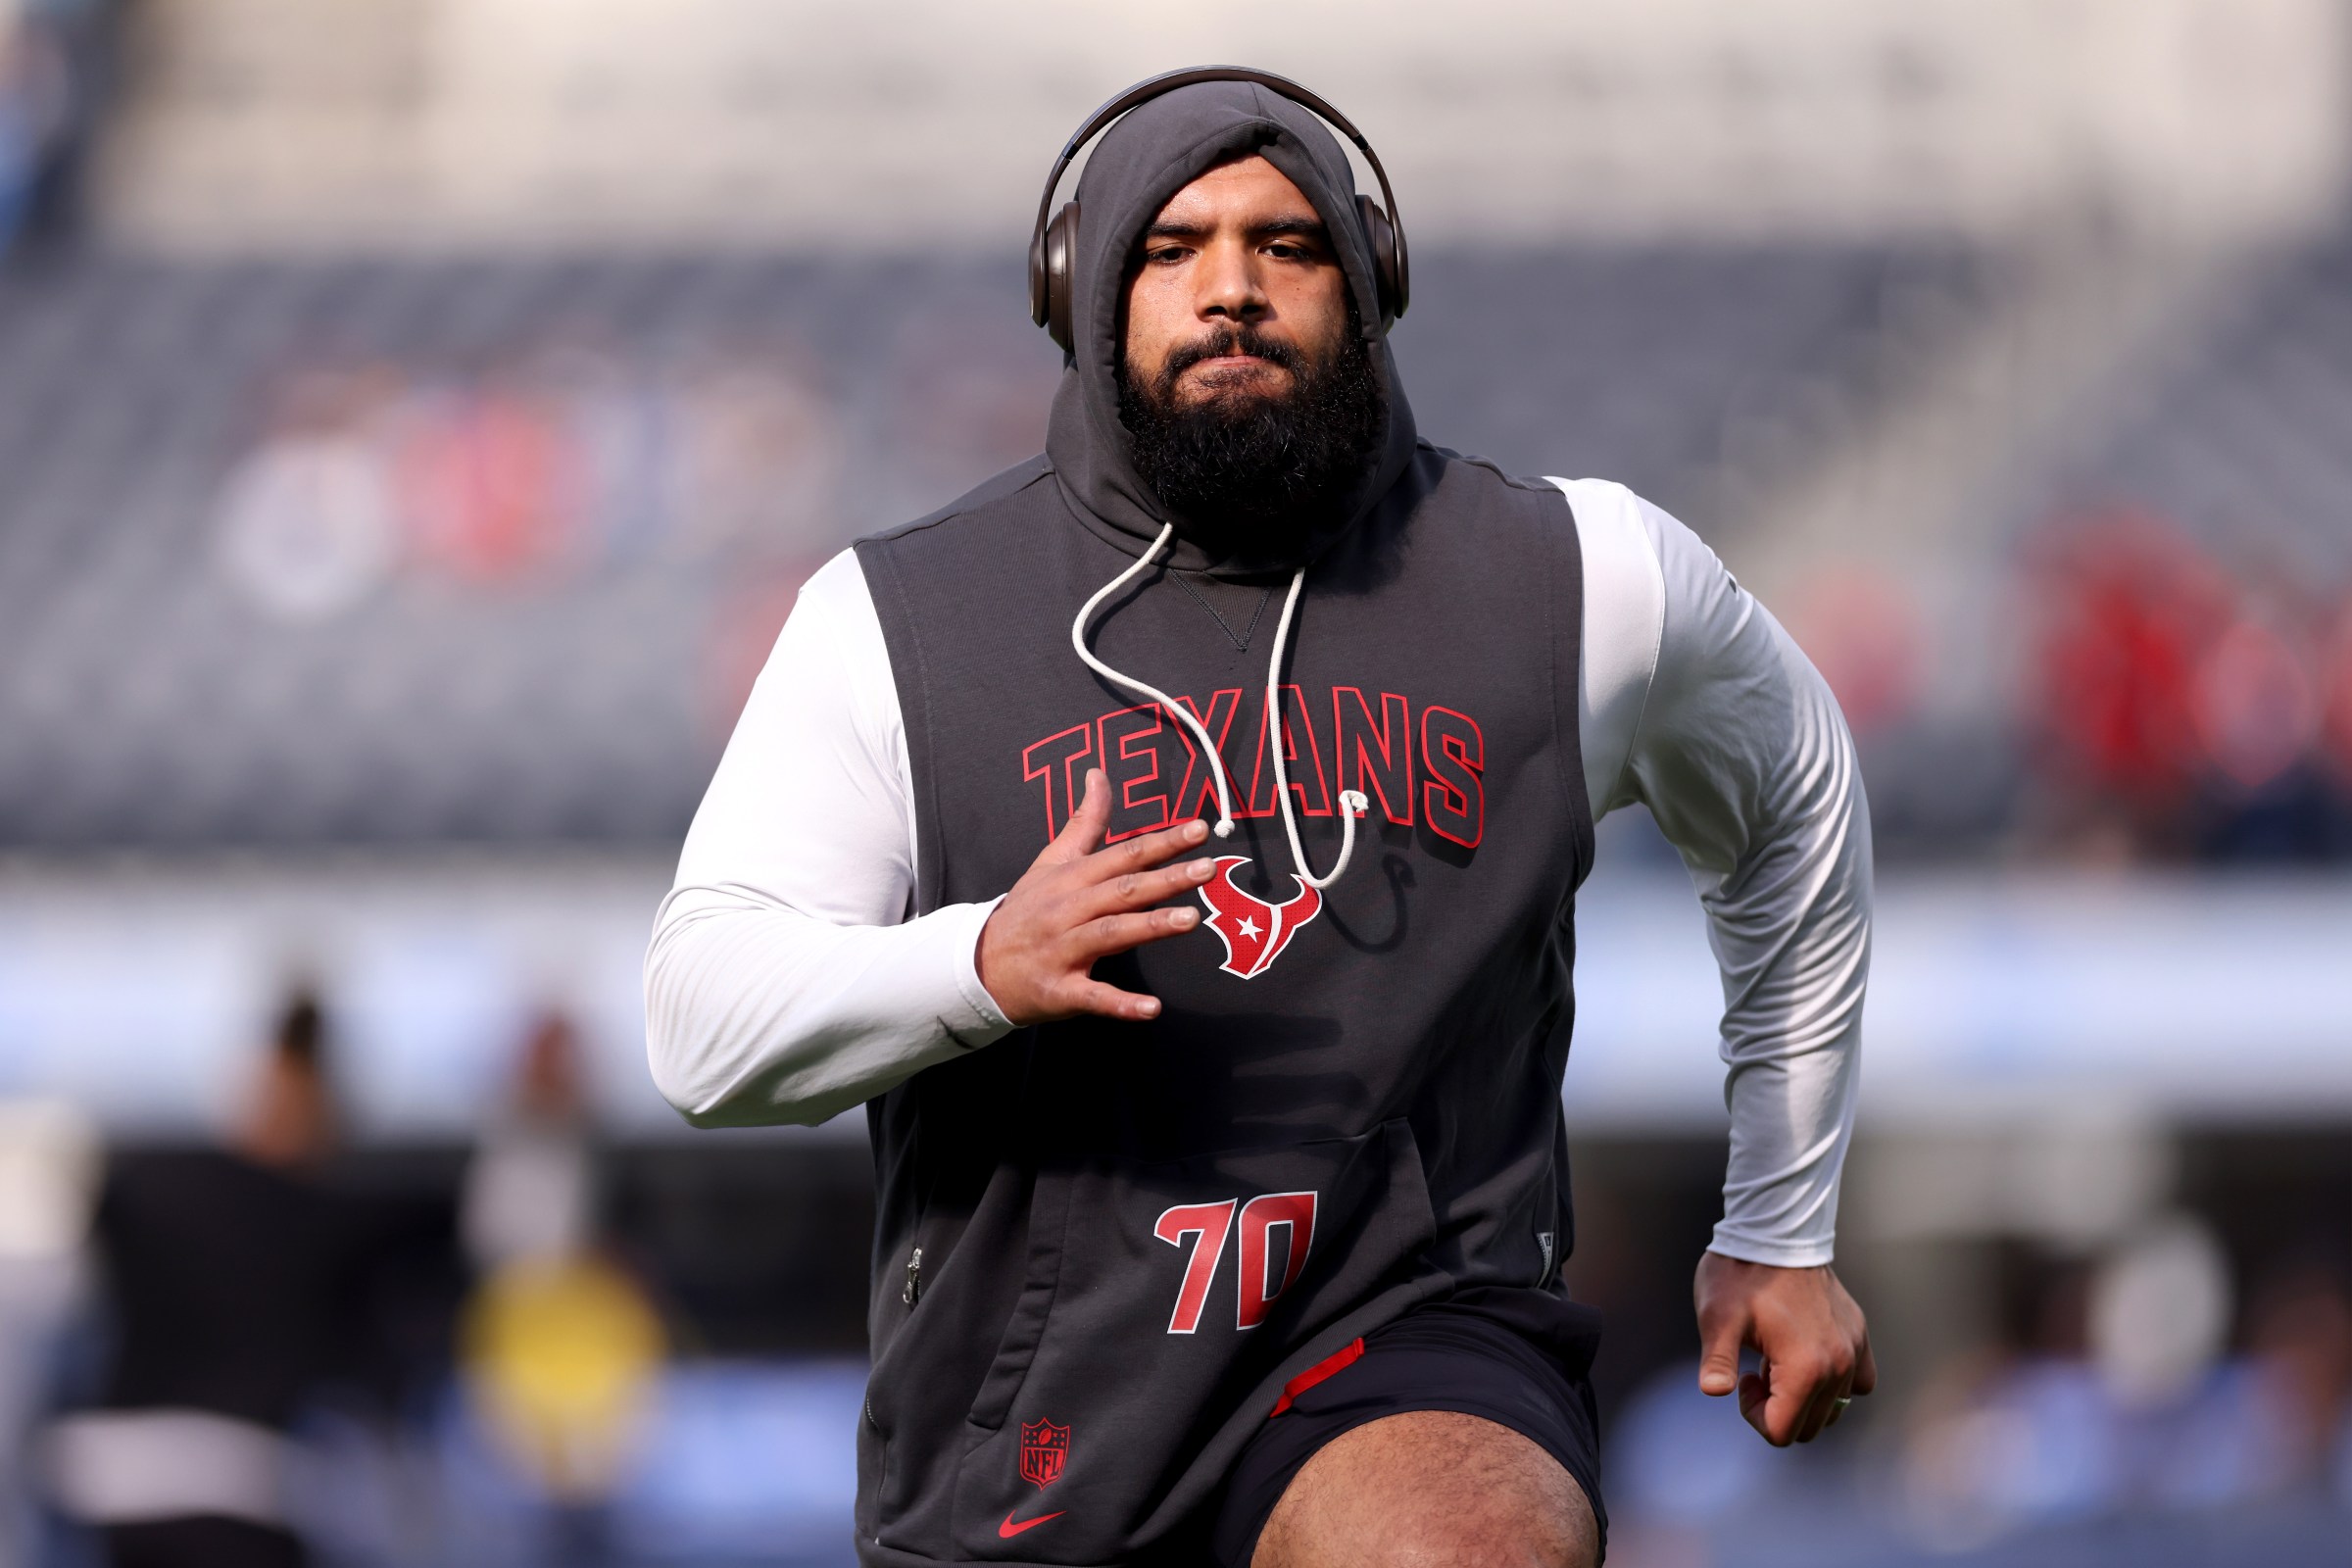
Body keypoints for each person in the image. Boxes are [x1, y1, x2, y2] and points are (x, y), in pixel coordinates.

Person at [647, 68, 1876, 1568]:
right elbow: (699, 1027)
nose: (1230, 288)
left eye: (1285, 246)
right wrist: (977, 965)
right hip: (1035, 1412)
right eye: (1172, 250)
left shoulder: (1580, 577)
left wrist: (1782, 1225)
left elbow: (1796, 805)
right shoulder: (895, 622)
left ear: (1369, 283)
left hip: (1407, 1336)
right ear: (1082, 292)